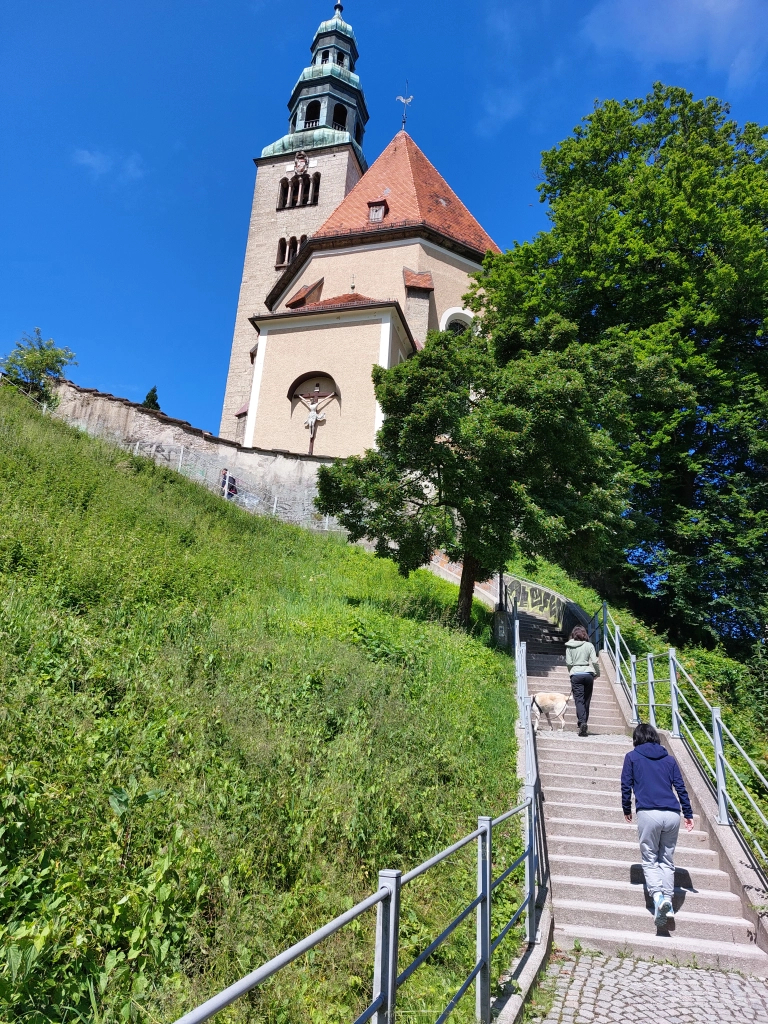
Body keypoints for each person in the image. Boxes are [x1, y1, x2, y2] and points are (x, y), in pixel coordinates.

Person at [621, 722, 695, 927]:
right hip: (672, 814)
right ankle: (669, 904)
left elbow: (626, 785)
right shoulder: (669, 760)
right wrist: (688, 813)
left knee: (650, 858)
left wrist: (626, 808)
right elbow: (680, 787)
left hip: (648, 812)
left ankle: (658, 898)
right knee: (667, 859)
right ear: (655, 737)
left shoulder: (632, 757)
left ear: (636, 739)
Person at [565, 625, 599, 736]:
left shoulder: (569, 646)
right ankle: (584, 722)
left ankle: (582, 722)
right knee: (586, 700)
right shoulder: (589, 645)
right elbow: (594, 661)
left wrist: (572, 672)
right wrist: (597, 673)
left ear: (573, 634)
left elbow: (569, 663)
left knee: (579, 700)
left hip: (576, 674)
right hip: (588, 674)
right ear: (584, 634)